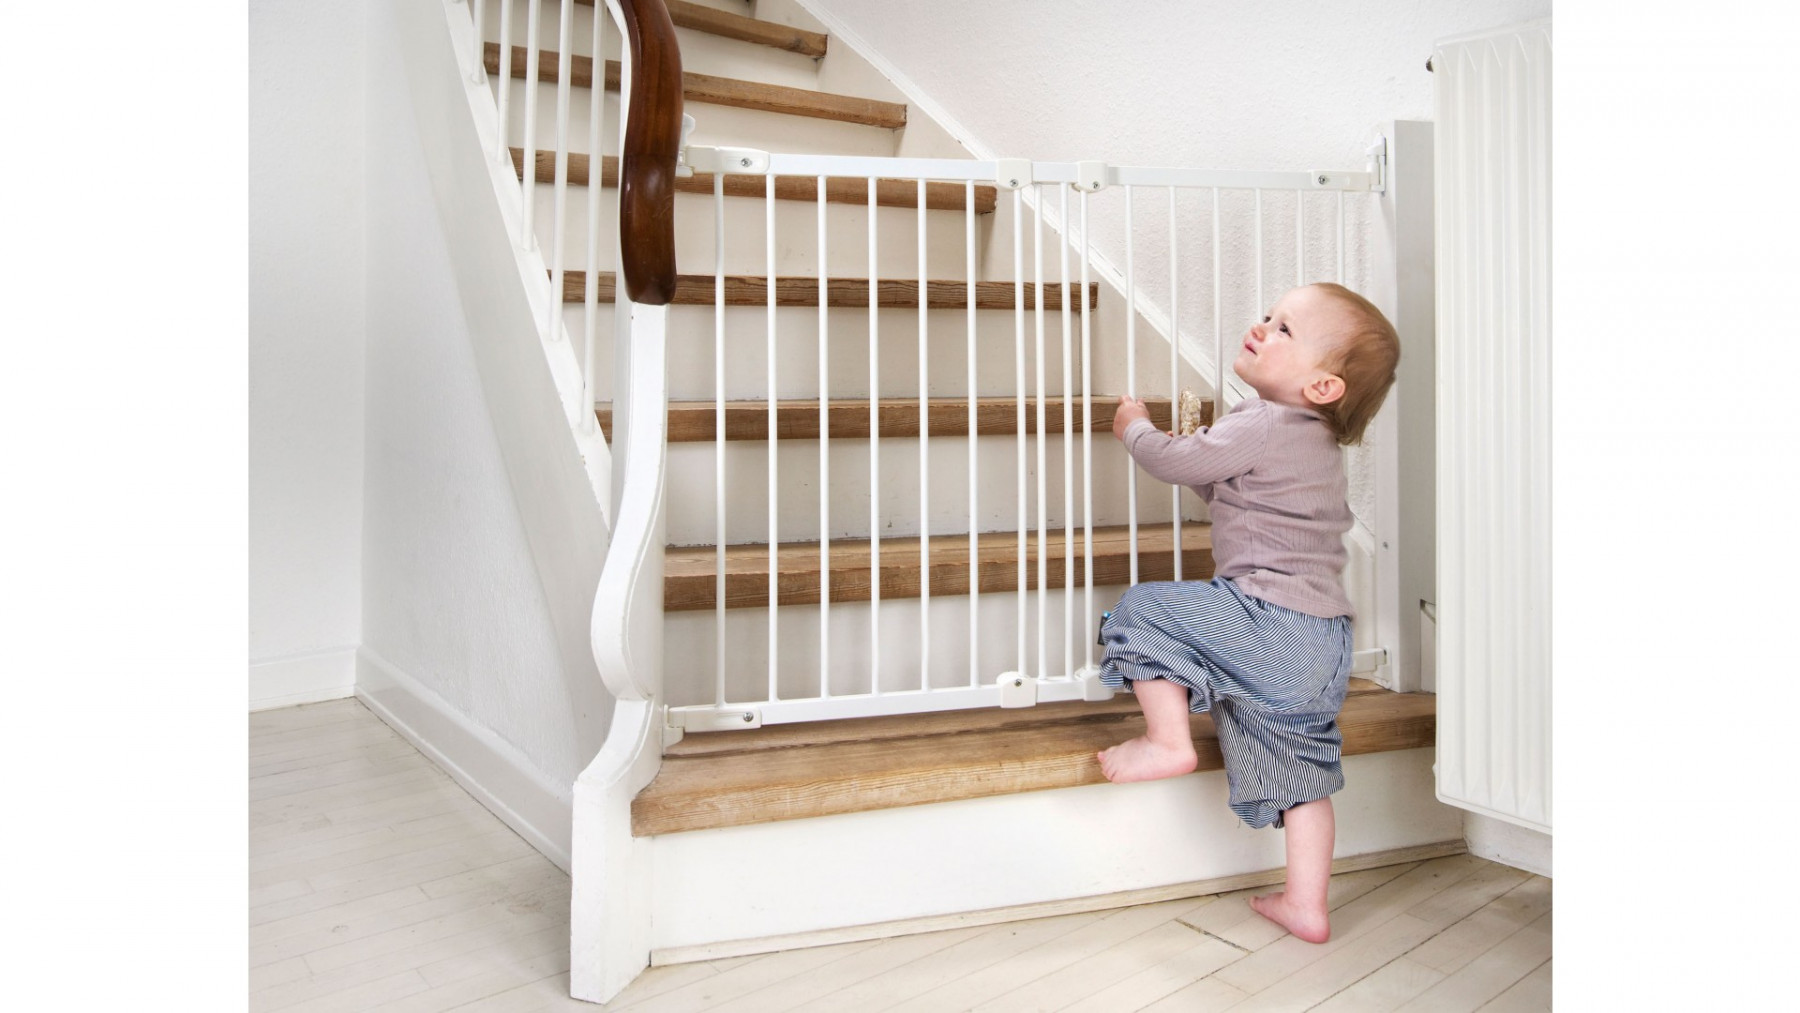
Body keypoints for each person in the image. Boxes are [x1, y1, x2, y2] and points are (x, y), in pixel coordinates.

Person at [1095, 281, 1400, 944]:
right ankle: (1306, 904)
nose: (1262, 327)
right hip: (1324, 642)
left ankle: (1166, 740)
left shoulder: (1260, 421)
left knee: (1144, 607)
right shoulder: (1314, 442)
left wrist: (1135, 428)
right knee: (1301, 773)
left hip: (1267, 616)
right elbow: (1225, 480)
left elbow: (1174, 462)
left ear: (1323, 386)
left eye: (1286, 329)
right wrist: (1205, 449)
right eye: (1268, 315)